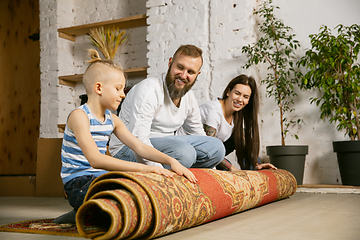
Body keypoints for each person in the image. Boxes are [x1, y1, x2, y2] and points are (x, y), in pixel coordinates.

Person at [54, 49, 197, 224]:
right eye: (118, 88)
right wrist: (146, 169)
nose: (123, 94)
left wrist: (171, 161)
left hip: (101, 177)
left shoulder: (113, 120)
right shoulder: (79, 116)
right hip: (78, 182)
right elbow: (95, 160)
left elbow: (140, 147)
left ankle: (86, 212)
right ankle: (83, 212)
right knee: (120, 202)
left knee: (139, 191)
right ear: (99, 88)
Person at [109, 44, 225, 169]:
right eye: (180, 67)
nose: (183, 75)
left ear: (197, 74)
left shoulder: (189, 97)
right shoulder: (148, 90)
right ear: (170, 63)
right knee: (185, 154)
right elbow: (139, 141)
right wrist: (159, 171)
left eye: (190, 72)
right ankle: (176, 169)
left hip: (168, 147)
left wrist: (213, 171)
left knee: (217, 148)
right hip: (128, 149)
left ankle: (184, 170)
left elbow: (198, 133)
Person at [200, 74, 277, 171]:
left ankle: (254, 167)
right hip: (196, 152)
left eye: (245, 97)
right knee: (226, 167)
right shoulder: (213, 110)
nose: (240, 99)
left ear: (249, 100)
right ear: (228, 92)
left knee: (241, 134)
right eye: (237, 93)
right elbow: (210, 148)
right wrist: (232, 169)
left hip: (212, 152)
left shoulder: (236, 116)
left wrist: (256, 164)